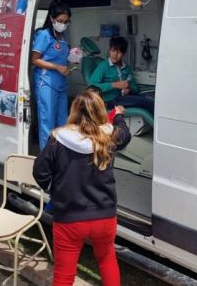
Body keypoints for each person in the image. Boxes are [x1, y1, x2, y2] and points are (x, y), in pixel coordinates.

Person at [33, 90, 131, 286]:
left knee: (64, 274)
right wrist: (118, 115)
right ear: (100, 112)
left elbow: (39, 173)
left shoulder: (58, 138)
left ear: (74, 111)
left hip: (69, 218)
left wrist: (56, 189)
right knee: (107, 260)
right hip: (104, 217)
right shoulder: (109, 136)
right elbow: (125, 134)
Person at [31, 0, 72, 149]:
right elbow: (34, 60)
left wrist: (72, 60)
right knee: (47, 123)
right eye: (60, 21)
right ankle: (46, 159)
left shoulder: (62, 37)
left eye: (66, 22)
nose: (63, 24)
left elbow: (61, 59)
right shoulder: (44, 35)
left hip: (61, 84)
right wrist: (56, 67)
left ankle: (60, 156)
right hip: (46, 83)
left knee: (62, 122)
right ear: (52, 19)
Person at [89, 36, 154, 114]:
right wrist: (114, 85)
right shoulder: (103, 66)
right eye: (113, 51)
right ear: (109, 50)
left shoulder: (126, 68)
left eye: (119, 52)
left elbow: (135, 88)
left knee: (151, 99)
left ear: (123, 54)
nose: (115, 55)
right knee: (147, 102)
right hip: (110, 100)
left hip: (123, 97)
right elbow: (91, 87)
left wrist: (128, 88)